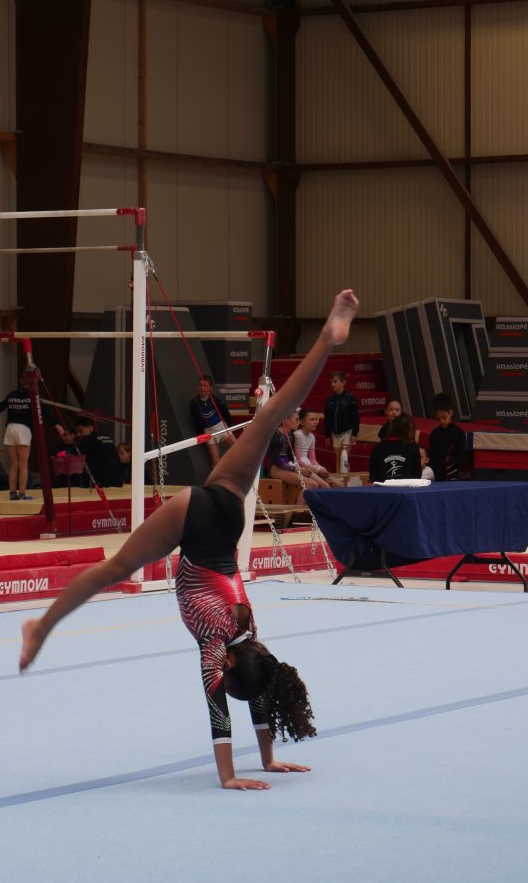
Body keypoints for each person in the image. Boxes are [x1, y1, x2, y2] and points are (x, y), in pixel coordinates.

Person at [20, 289, 359, 791]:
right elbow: (219, 710)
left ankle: (328, 339)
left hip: (225, 524)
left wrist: (267, 760)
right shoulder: (216, 645)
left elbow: (262, 687)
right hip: (196, 524)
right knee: (114, 570)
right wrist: (229, 776)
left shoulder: (253, 638)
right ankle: (42, 628)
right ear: (228, 662)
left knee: (267, 421)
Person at [0, 372, 53, 500]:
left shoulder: (12, 395)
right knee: (23, 464)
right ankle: (22, 493)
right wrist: (57, 424)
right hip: (23, 429)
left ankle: (12, 493)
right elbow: (46, 411)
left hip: (10, 428)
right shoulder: (33, 396)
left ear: (20, 381)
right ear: (33, 383)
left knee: (14, 464)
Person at [265, 410, 332, 496]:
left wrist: (302, 468)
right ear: (286, 421)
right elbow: (276, 460)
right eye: (296, 420)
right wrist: (296, 469)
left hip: (288, 465)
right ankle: (298, 508)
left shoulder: (291, 436)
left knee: (321, 485)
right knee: (311, 484)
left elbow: (291, 457)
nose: (298, 423)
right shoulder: (275, 435)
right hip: (275, 468)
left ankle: (309, 508)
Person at [189, 375, 236, 468]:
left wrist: (230, 428)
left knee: (237, 448)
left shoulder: (217, 401)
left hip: (222, 428)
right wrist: (200, 433)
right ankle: (215, 481)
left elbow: (227, 415)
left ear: (210, 387)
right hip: (209, 433)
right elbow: (196, 421)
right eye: (200, 385)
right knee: (215, 459)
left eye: (205, 385)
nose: (202, 388)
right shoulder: (193, 403)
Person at [369, 413, 421, 483]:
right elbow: (417, 475)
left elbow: (373, 477)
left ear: (392, 427)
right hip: (407, 490)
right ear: (410, 430)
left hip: (383, 490)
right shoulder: (413, 447)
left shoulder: (377, 447)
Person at [323, 370, 359, 472]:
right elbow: (327, 418)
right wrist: (327, 435)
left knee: (344, 457)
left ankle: (346, 480)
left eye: (335, 381)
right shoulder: (330, 400)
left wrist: (354, 433)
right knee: (338, 458)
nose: (332, 384)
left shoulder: (350, 398)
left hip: (347, 432)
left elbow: (355, 417)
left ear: (343, 383)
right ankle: (339, 481)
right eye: (331, 382)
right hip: (335, 434)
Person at [74, 418, 124, 488]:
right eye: (77, 432)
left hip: (102, 484)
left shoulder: (87, 440)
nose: (78, 434)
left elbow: (74, 456)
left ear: (90, 428)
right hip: (117, 482)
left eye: (80, 431)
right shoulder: (107, 437)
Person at [428, 394, 467, 481]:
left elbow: (463, 458)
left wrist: (450, 459)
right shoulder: (434, 433)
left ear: (451, 413)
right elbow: (431, 457)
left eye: (444, 418)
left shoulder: (459, 433)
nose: (441, 421)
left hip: (453, 476)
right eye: (438, 419)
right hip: (437, 476)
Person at [293, 409, 335, 485]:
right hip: (301, 466)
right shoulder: (297, 435)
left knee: (338, 484)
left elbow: (313, 459)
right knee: (325, 485)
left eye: (316, 419)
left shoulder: (312, 437)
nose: (316, 422)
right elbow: (298, 459)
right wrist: (316, 470)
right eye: (312, 420)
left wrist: (321, 468)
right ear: (302, 422)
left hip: (309, 464)